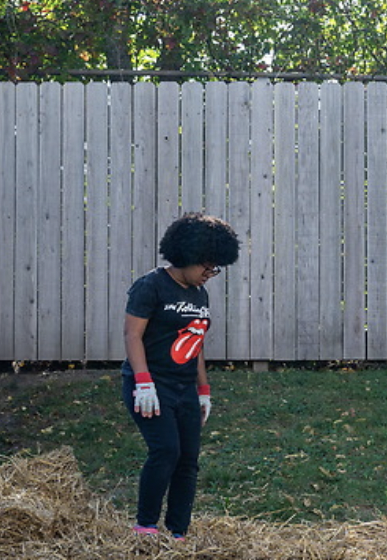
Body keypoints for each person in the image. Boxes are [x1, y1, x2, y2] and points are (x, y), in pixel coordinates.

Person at [122, 212, 241, 540]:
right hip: (151, 384)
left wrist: (203, 390)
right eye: (207, 266)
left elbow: (195, 343)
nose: (210, 274)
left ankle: (178, 533)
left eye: (215, 268)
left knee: (188, 460)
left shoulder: (200, 294)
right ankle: (145, 526)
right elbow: (132, 335)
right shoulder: (151, 286)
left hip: (184, 386)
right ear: (187, 254)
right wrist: (143, 383)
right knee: (166, 451)